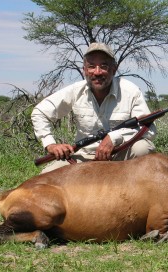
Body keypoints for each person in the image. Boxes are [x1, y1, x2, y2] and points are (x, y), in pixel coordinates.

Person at [31, 42, 157, 173]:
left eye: (104, 66)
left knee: (142, 148)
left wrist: (114, 138)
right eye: (91, 66)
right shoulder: (76, 91)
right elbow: (40, 112)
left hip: (120, 155)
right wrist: (50, 144)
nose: (97, 72)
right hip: (84, 157)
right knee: (45, 177)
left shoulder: (130, 91)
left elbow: (148, 129)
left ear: (114, 69)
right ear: (84, 70)